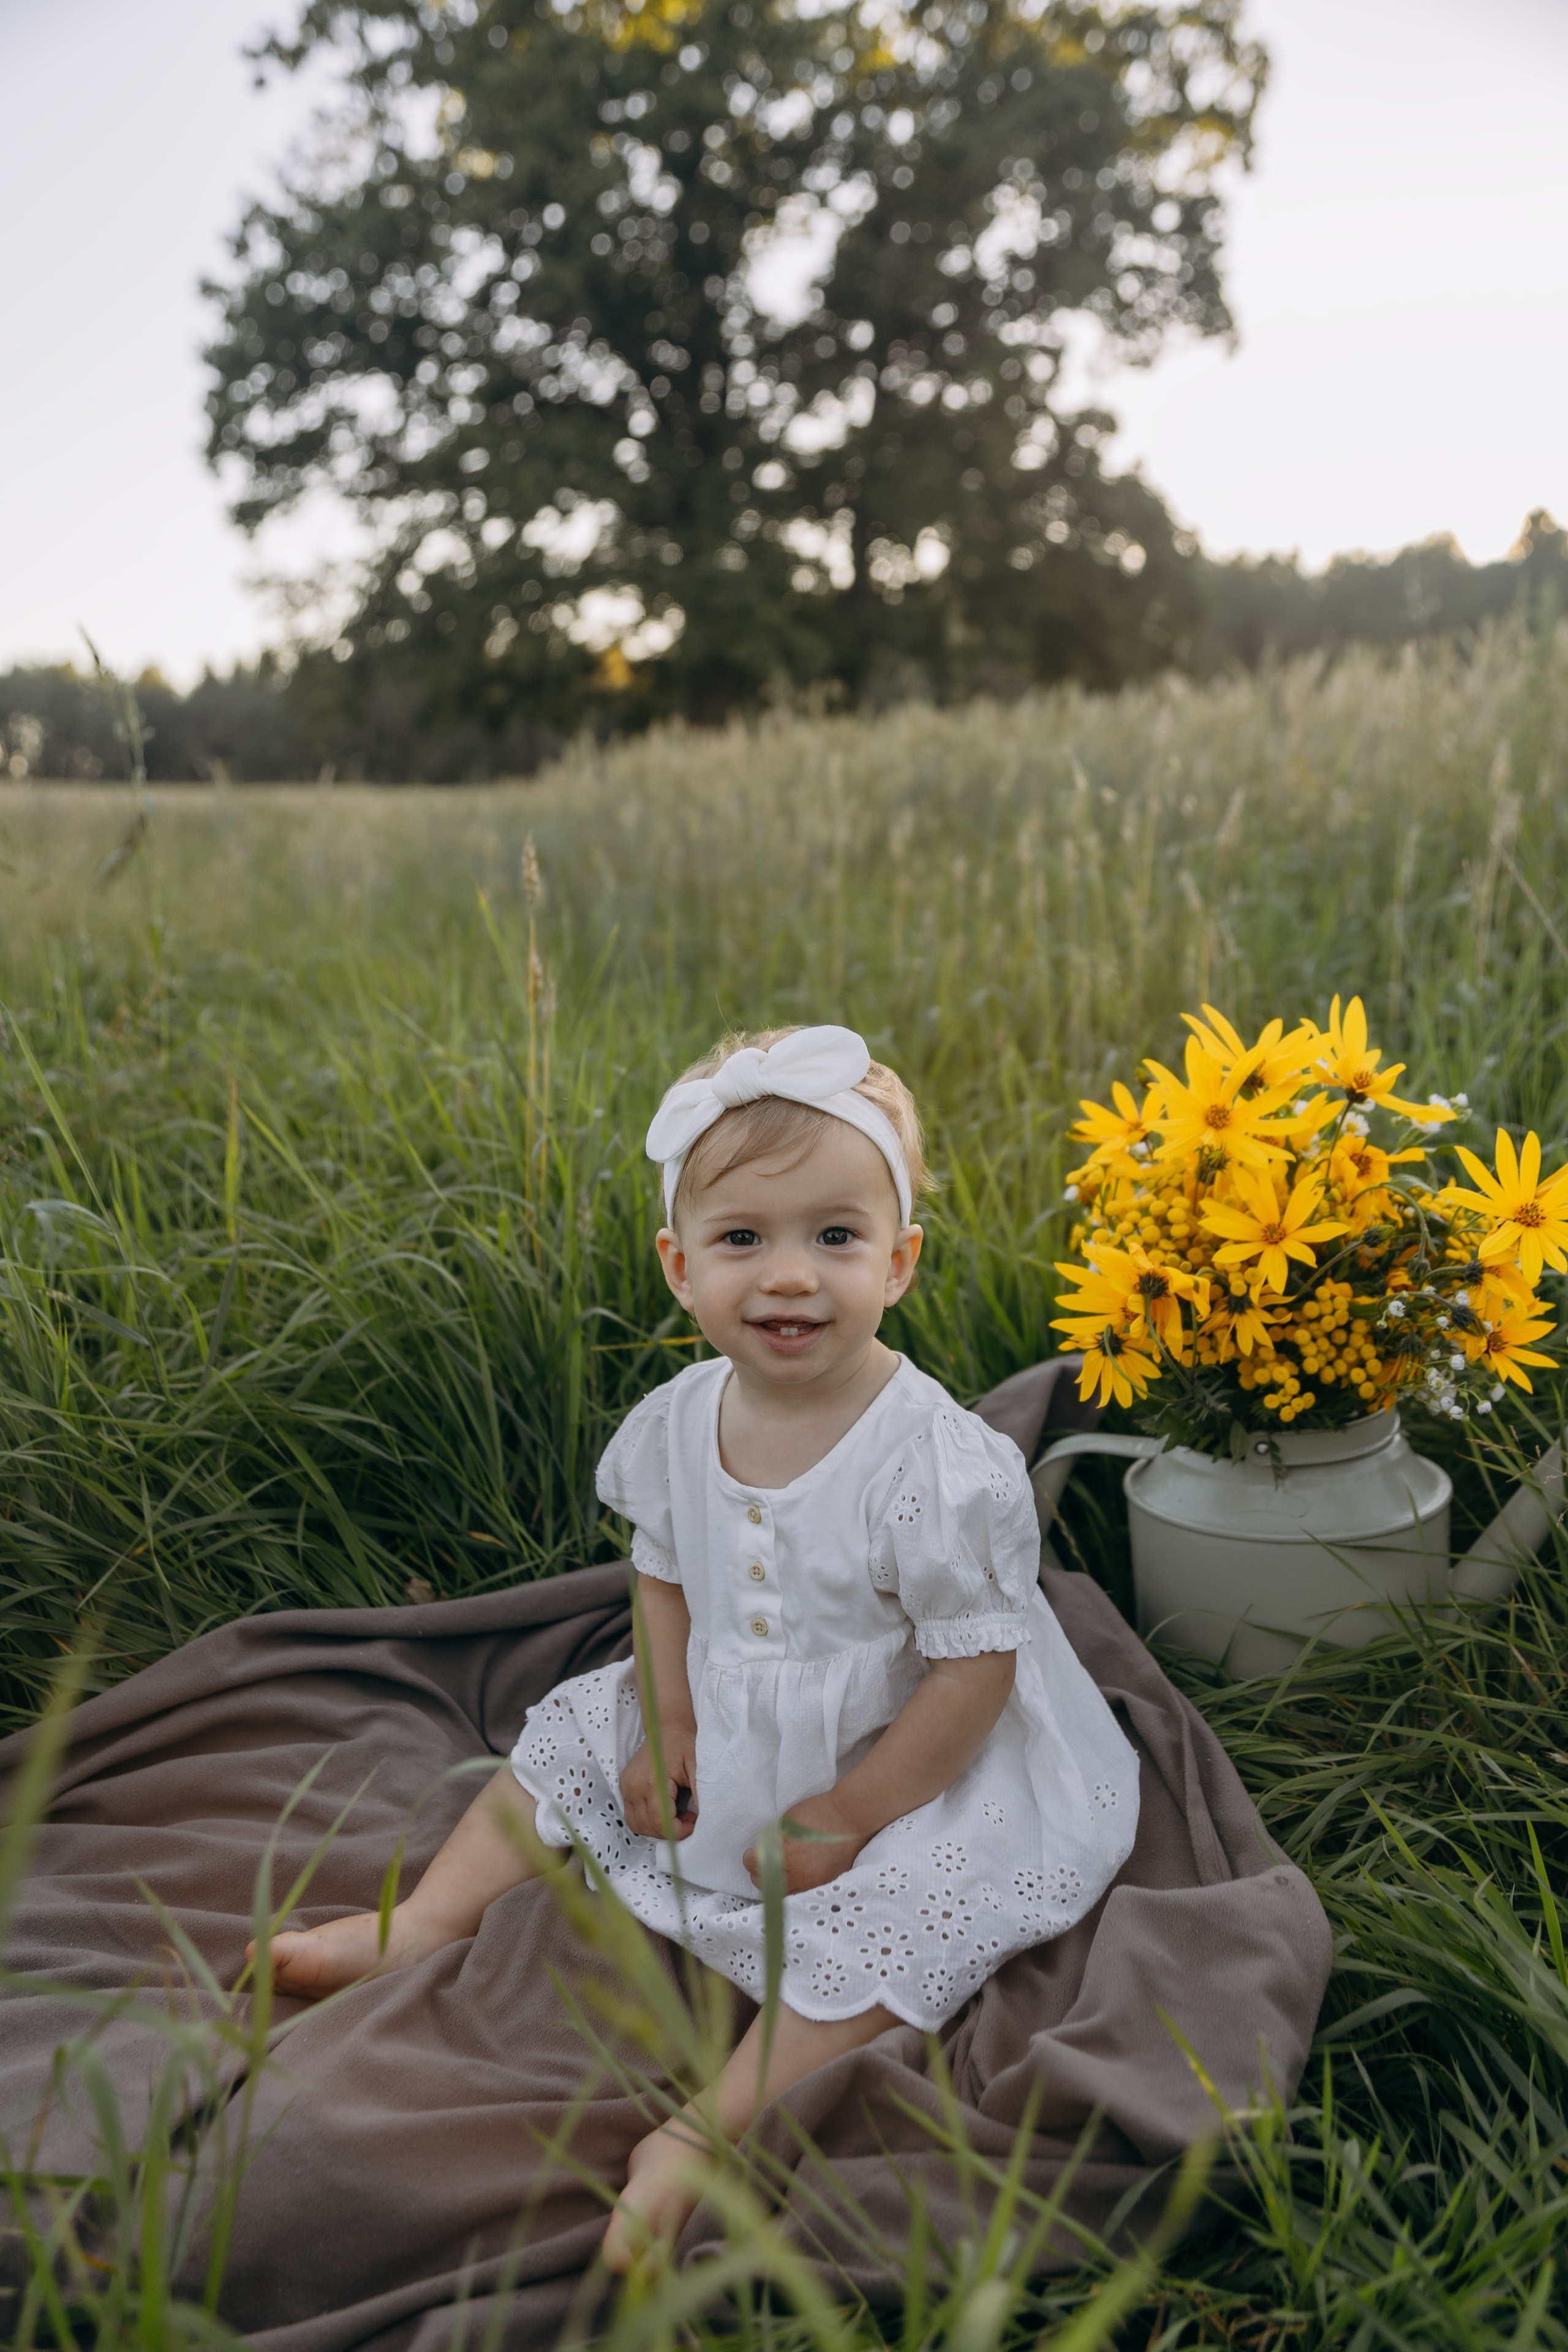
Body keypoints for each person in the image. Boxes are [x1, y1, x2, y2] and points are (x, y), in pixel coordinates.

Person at [261, 1025, 1140, 2270]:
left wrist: (854, 1810)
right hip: (731, 1693)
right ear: (680, 1268)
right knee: (574, 1729)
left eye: (834, 1237)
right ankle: (426, 1924)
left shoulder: (935, 1465)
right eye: (742, 1240)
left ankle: (703, 2132)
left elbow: (973, 1672)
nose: (788, 1277)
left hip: (913, 1745)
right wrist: (669, 1717)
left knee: (911, 1911)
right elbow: (665, 1575)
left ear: (899, 1261)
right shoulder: (679, 1421)